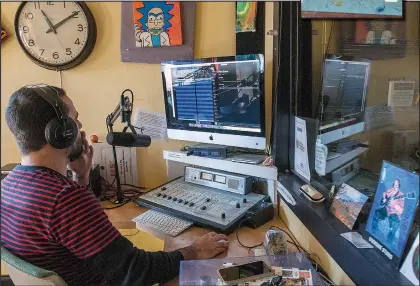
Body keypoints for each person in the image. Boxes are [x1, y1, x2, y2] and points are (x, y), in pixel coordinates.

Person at [1, 85, 229, 286]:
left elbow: (77, 234)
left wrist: (82, 177)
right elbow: (136, 271)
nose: (79, 125)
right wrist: (194, 250)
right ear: (62, 132)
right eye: (74, 119)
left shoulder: (8, 185)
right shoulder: (63, 198)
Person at [372, 179, 404, 244]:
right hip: (387, 209)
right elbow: (384, 195)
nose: (395, 185)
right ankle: (373, 233)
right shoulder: (390, 190)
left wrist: (394, 205)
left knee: (394, 226)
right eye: (394, 184)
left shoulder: (401, 195)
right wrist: (384, 199)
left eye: (397, 184)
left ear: (399, 185)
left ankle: (389, 243)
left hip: (394, 213)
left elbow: (401, 210)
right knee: (376, 214)